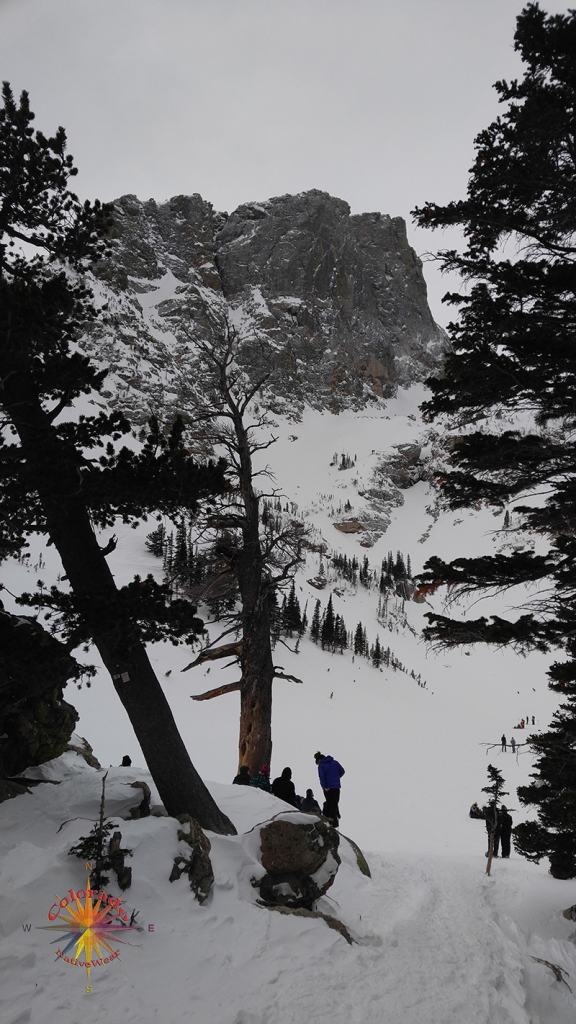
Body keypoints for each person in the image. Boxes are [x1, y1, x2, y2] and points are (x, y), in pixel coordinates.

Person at [314, 751, 345, 827]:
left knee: (329, 802)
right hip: (336, 787)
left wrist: (324, 787)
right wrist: (337, 778)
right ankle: (332, 819)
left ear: (319, 760)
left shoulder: (321, 766)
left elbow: (322, 777)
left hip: (328, 788)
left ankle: (326, 819)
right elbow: (342, 771)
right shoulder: (335, 762)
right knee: (334, 803)